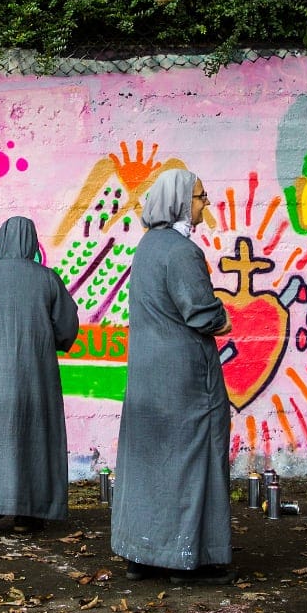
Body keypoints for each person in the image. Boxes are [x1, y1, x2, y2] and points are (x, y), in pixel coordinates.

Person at [110, 168, 236, 584]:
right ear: (181, 202)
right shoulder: (182, 252)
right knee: (194, 458)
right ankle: (188, 560)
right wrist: (223, 319)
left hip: (148, 373)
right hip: (183, 376)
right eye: (200, 196)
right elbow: (203, 315)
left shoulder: (147, 247)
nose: (206, 203)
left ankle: (142, 556)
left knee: (148, 462)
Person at [0, 216, 80, 532]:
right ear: (32, 242)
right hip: (35, 373)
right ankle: (30, 512)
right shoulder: (48, 279)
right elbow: (67, 330)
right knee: (34, 436)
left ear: (1, 240)